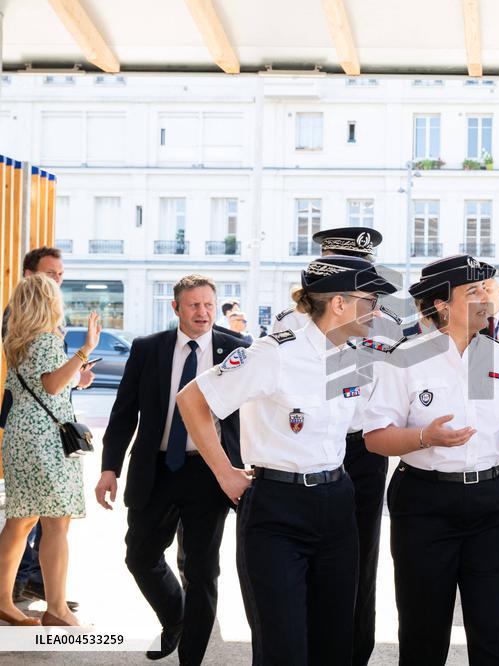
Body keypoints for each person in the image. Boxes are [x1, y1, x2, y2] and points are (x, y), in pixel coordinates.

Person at [177, 256, 398, 665]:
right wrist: (224, 472)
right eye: (370, 302)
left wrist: (429, 436)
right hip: (277, 510)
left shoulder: (353, 358)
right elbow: (192, 398)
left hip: (336, 504)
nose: (377, 313)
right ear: (338, 304)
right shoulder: (273, 353)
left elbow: (373, 427)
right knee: (283, 647)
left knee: (335, 644)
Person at [364, 254, 499, 665]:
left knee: (493, 628)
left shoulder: (496, 356)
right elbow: (376, 438)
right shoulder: (405, 358)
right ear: (442, 305)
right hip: (426, 503)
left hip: (492, 502)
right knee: (423, 628)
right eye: (473, 292)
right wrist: (423, 437)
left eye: (488, 289)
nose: (487, 298)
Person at [96, 275, 249, 663]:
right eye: (194, 305)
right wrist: (109, 467)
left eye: (209, 305)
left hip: (210, 471)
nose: (203, 312)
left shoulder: (236, 349)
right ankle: (176, 617)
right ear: (176, 308)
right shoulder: (149, 349)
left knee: (201, 570)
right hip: (157, 467)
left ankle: (191, 658)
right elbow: (124, 411)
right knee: (140, 556)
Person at [271, 225, 391, 666]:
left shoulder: (386, 322)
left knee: (360, 562)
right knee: (296, 567)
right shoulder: (289, 326)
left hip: (361, 450)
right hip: (303, 449)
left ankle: (353, 652)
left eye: (365, 270)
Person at [0, 275, 96, 628]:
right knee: (56, 523)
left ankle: (3, 601)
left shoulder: (18, 340)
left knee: (21, 520)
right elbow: (52, 384)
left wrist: (77, 377)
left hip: (20, 433)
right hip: (44, 438)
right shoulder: (46, 339)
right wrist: (85, 350)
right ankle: (57, 609)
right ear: (48, 302)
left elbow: (46, 384)